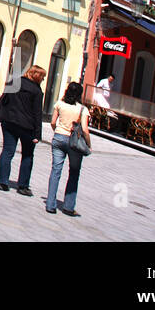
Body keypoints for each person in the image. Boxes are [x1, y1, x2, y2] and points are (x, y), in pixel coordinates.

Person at [0, 64, 46, 196]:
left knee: (7, 151)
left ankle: (3, 181)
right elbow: (37, 114)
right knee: (27, 155)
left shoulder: (14, 82)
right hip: (27, 127)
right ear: (37, 76)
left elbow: (4, 99)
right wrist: (37, 134)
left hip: (9, 122)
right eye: (43, 77)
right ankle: (23, 186)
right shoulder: (36, 91)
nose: (43, 80)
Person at [46, 81, 90, 216]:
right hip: (74, 143)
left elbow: (53, 122)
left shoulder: (59, 104)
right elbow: (84, 129)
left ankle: (50, 205)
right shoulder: (82, 109)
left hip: (58, 137)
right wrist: (88, 144)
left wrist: (57, 131)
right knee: (74, 173)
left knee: (55, 171)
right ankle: (69, 206)